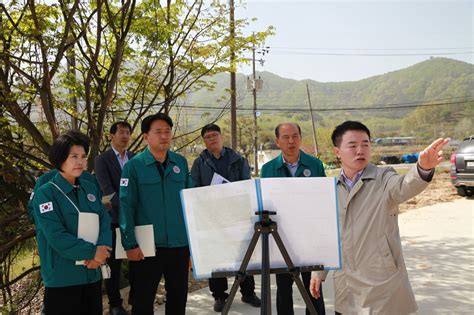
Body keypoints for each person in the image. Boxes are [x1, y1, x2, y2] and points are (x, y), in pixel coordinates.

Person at [309, 121, 449, 314]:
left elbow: (404, 186)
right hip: (346, 285)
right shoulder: (331, 189)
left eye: (365, 144)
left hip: (381, 283)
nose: (360, 150)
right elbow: (329, 235)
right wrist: (319, 271)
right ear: (337, 152)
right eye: (352, 145)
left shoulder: (383, 177)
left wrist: (422, 168)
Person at [31, 130, 112, 315]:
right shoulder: (46, 193)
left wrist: (102, 250)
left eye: (83, 156)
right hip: (63, 278)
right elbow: (57, 236)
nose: (80, 162)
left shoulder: (89, 187)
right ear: (60, 158)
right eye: (74, 156)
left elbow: (104, 220)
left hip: (91, 274)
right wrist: (93, 252)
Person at [119, 113, 192, 315]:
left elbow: (191, 202)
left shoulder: (180, 163)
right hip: (146, 247)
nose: (164, 136)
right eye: (158, 132)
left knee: (178, 297)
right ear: (146, 137)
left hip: (178, 244)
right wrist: (130, 244)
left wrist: (193, 244)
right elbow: (126, 205)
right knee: (143, 299)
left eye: (167, 132)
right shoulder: (133, 166)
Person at [190, 123, 262, 312]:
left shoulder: (237, 159)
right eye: (208, 137)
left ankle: (248, 293)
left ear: (221, 137)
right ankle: (220, 296)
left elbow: (247, 185)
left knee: (244, 254)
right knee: (216, 256)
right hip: (212, 216)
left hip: (237, 214)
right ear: (204, 141)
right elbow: (194, 189)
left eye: (215, 135)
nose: (212, 139)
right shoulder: (200, 163)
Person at [261, 122, 326, 315]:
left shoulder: (315, 165)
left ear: (300, 138)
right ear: (277, 142)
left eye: (295, 136)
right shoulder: (268, 169)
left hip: (310, 237)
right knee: (283, 289)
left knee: (313, 288)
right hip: (281, 238)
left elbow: (323, 200)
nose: (291, 141)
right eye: (286, 137)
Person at [95, 121, 135, 315]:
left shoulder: (135, 158)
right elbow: (107, 191)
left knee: (139, 259)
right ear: (111, 135)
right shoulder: (102, 160)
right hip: (114, 219)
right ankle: (115, 304)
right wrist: (129, 208)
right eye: (121, 132)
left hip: (136, 219)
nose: (125, 136)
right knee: (114, 265)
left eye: (128, 132)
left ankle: (137, 297)